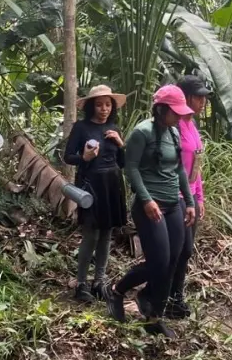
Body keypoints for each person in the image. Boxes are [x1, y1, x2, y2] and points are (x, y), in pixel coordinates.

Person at [102, 85, 196, 338]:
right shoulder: (142, 133)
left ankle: (155, 314)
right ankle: (117, 290)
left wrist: (189, 201)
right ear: (161, 109)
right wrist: (146, 199)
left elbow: (178, 171)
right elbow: (131, 168)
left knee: (174, 260)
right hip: (149, 206)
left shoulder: (174, 133)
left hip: (172, 204)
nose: (179, 116)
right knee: (159, 261)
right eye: (174, 112)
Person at [63, 85, 127, 303]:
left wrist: (120, 144)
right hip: (90, 185)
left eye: (108, 104)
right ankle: (81, 284)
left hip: (112, 185)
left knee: (106, 235)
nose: (104, 109)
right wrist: (85, 157)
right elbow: (68, 157)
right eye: (99, 105)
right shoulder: (81, 128)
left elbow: (123, 163)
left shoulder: (114, 128)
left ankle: (99, 281)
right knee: (90, 236)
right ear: (91, 106)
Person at [167, 75, 210, 318]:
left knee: (186, 251)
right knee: (176, 249)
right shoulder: (174, 126)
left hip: (191, 195)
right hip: (175, 196)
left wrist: (199, 198)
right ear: (184, 97)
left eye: (204, 96)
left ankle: (176, 296)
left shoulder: (192, 125)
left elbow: (196, 165)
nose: (202, 101)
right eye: (198, 96)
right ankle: (162, 295)